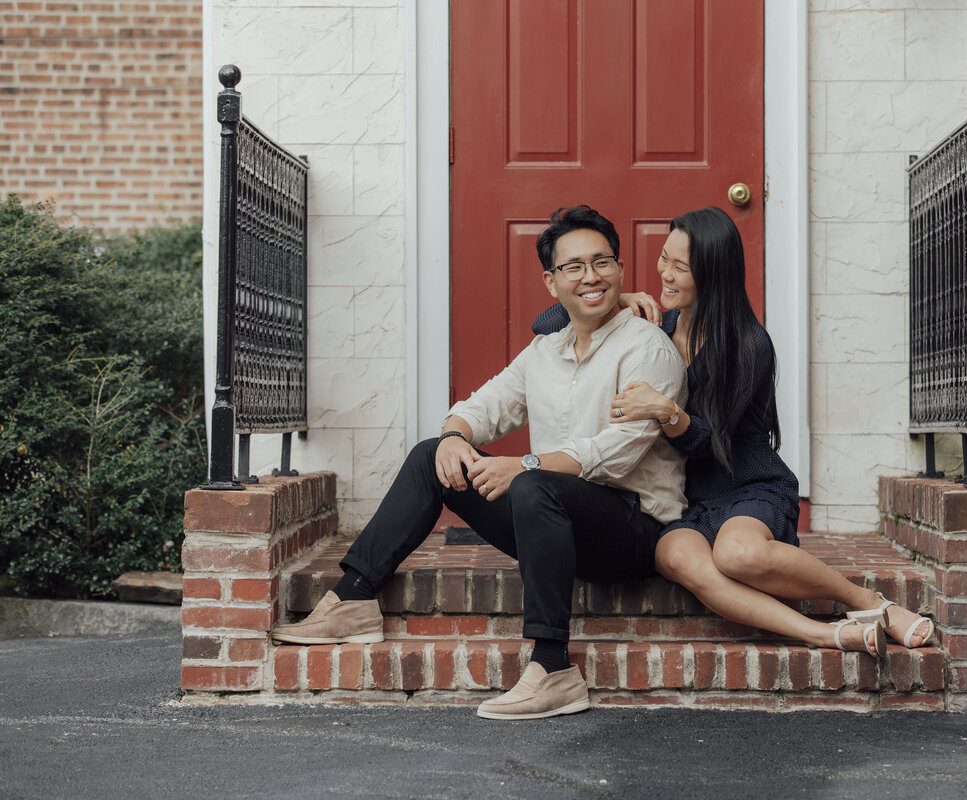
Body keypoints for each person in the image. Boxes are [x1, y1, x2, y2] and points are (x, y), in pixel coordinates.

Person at [273, 205, 687, 720]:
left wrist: (527, 464)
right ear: (550, 282)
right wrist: (453, 435)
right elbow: (483, 407)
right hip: (557, 521)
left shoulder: (647, 348)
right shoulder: (545, 350)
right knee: (432, 456)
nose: (590, 277)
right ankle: (355, 598)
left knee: (536, 484)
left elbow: (618, 451)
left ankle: (554, 669)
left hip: (632, 530)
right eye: (573, 266)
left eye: (601, 262)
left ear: (621, 270)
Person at [533, 207, 933, 656]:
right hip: (683, 503)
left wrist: (669, 412)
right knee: (681, 560)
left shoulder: (748, 345)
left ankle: (869, 603)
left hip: (745, 485)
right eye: (664, 258)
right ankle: (825, 633)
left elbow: (713, 446)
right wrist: (617, 303)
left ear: (713, 274)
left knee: (737, 555)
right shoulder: (654, 327)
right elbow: (546, 324)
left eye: (680, 267)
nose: (664, 273)